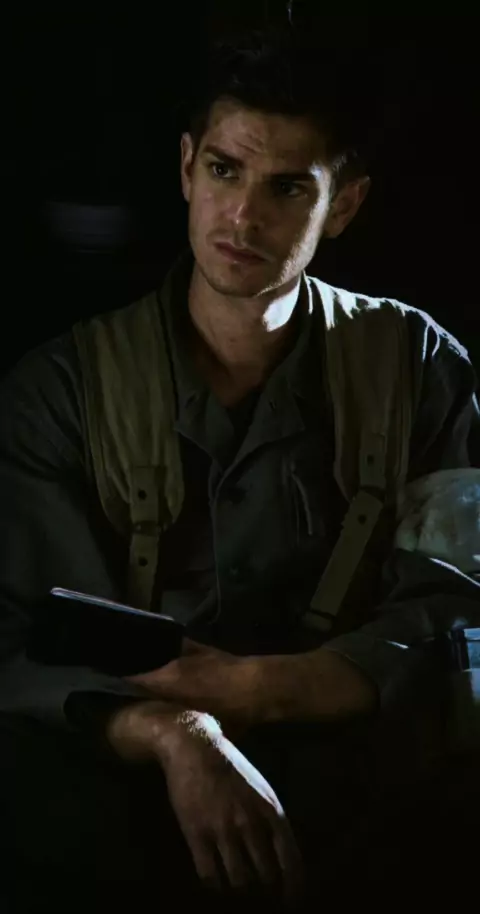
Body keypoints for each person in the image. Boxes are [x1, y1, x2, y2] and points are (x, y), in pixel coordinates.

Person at [1, 28, 480, 913]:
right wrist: (177, 731)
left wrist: (270, 690)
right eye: (225, 171)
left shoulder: (420, 370)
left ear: (344, 204)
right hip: (120, 788)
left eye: (288, 187)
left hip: (362, 785)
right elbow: (21, 634)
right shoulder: (62, 391)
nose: (243, 219)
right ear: (187, 168)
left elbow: (459, 602)